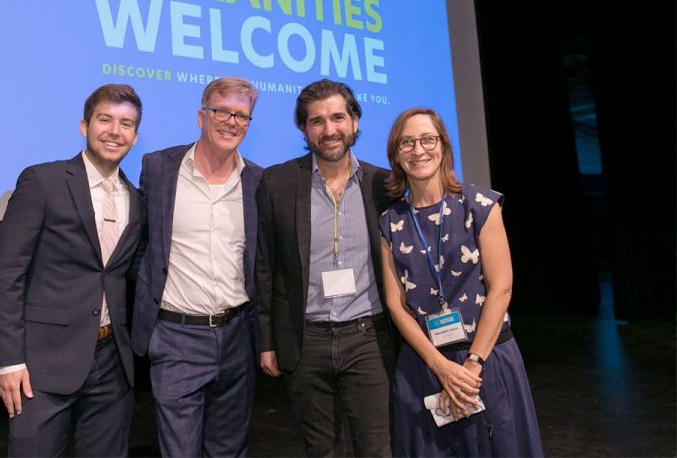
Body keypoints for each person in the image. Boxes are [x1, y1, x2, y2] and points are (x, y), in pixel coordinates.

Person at [0, 84, 144, 457]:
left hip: (112, 361)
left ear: (135, 136)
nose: (114, 131)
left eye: (126, 124)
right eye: (105, 120)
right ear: (83, 126)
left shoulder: (135, 198)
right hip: (42, 363)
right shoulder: (43, 180)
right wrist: (8, 360)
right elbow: (8, 274)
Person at [377, 107, 543, 456]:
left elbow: (502, 288)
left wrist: (471, 365)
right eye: (407, 142)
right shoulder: (390, 222)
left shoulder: (480, 205)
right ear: (395, 153)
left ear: (443, 146)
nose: (418, 150)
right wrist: (439, 366)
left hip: (485, 361)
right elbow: (396, 304)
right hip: (426, 365)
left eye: (427, 139)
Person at [255, 79, 397, 457]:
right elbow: (265, 267)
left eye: (338, 118)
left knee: (377, 448)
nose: (329, 130)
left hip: (369, 337)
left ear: (354, 121)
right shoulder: (277, 182)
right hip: (305, 340)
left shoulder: (383, 184)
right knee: (321, 450)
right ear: (304, 129)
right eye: (317, 121)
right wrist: (267, 340)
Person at [132, 77, 263, 457]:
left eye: (242, 115)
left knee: (228, 449)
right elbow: (140, 243)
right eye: (221, 111)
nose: (231, 122)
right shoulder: (159, 168)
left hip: (238, 335)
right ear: (201, 117)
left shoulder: (257, 180)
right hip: (176, 337)